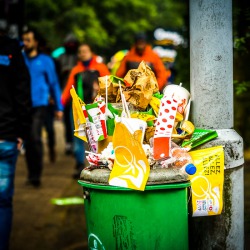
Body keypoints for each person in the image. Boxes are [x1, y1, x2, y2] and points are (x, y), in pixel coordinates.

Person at [0, 27, 31, 250]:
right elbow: (22, 94)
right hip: (6, 136)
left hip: (7, 135)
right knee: (2, 202)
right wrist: (21, 132)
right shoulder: (11, 50)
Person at [22, 28, 63, 187]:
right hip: (23, 106)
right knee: (27, 140)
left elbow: (54, 84)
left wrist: (59, 107)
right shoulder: (20, 59)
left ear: (36, 42)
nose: (25, 43)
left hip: (40, 104)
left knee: (35, 137)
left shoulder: (46, 61)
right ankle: (31, 174)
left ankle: (36, 175)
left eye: (28, 40)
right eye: (24, 40)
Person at [62, 43, 110, 178]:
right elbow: (68, 89)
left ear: (91, 52)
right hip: (79, 109)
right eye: (80, 52)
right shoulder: (76, 70)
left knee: (98, 137)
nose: (83, 54)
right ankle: (79, 165)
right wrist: (60, 105)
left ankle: (100, 163)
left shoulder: (100, 68)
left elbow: (108, 85)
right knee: (79, 137)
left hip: (95, 109)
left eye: (85, 51)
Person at [54, 34, 79, 155]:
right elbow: (56, 76)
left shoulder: (78, 58)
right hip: (64, 91)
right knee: (67, 121)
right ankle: (69, 142)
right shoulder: (60, 58)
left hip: (77, 93)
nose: (71, 46)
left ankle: (76, 144)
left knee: (77, 121)